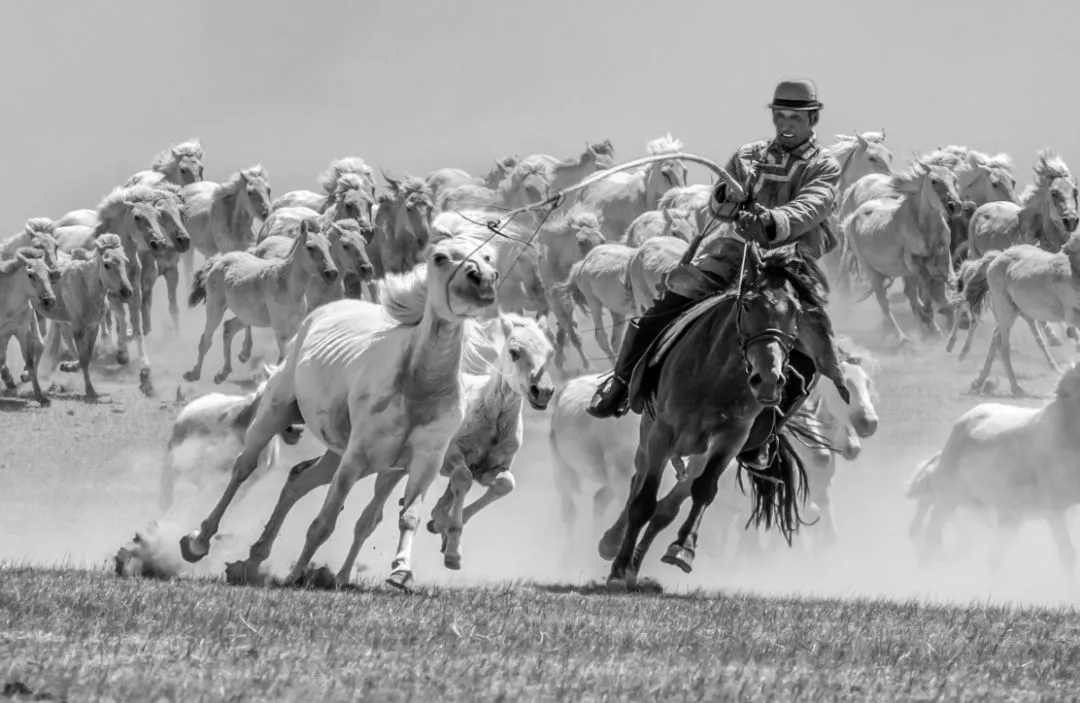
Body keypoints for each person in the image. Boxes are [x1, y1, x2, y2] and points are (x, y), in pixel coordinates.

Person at [587, 78, 843, 426]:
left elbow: (812, 206)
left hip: (789, 266)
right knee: (669, 303)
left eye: (795, 117)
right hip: (734, 254)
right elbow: (718, 207)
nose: (785, 124)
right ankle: (620, 382)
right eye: (780, 115)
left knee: (812, 348)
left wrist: (769, 221)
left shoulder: (824, 165)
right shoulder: (749, 155)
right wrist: (726, 198)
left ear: (812, 118)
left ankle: (768, 430)